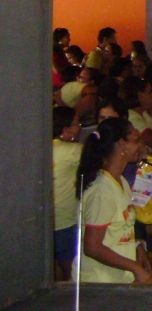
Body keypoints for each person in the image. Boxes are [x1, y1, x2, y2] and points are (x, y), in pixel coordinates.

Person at [76, 117, 151, 283]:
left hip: (117, 279)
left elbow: (119, 229)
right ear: (122, 144)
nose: (140, 145)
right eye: (136, 140)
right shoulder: (101, 190)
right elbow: (92, 247)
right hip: (99, 282)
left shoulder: (120, 181)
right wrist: (134, 267)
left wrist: (137, 247)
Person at [52, 106, 83, 281]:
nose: (80, 127)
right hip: (65, 221)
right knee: (70, 271)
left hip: (48, 220)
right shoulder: (73, 151)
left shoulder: (45, 147)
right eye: (77, 123)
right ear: (66, 130)